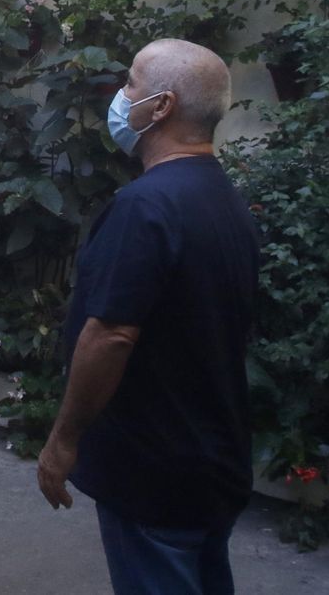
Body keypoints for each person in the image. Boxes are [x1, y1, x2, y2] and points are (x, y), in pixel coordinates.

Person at [36, 39, 260, 595]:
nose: (120, 95)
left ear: (161, 107)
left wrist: (64, 438)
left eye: (131, 83)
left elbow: (109, 334)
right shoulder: (223, 198)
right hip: (211, 459)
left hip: (154, 468)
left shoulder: (146, 207)